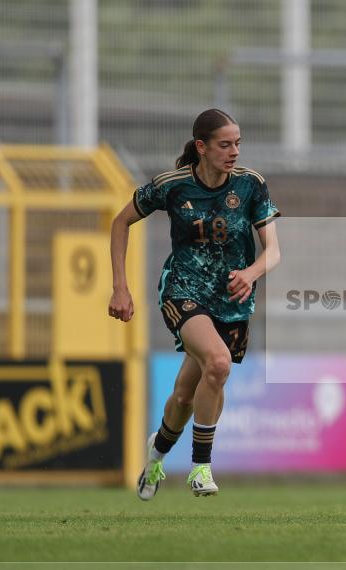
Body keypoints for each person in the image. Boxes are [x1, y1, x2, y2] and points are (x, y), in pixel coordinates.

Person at [109, 108, 281, 499]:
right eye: (225, 144)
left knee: (186, 395)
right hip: (183, 291)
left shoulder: (252, 185)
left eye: (237, 143)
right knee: (218, 363)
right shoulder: (172, 186)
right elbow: (120, 223)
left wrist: (251, 273)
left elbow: (273, 252)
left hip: (233, 301)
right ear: (201, 147)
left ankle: (157, 454)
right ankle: (200, 469)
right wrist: (120, 287)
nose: (234, 151)